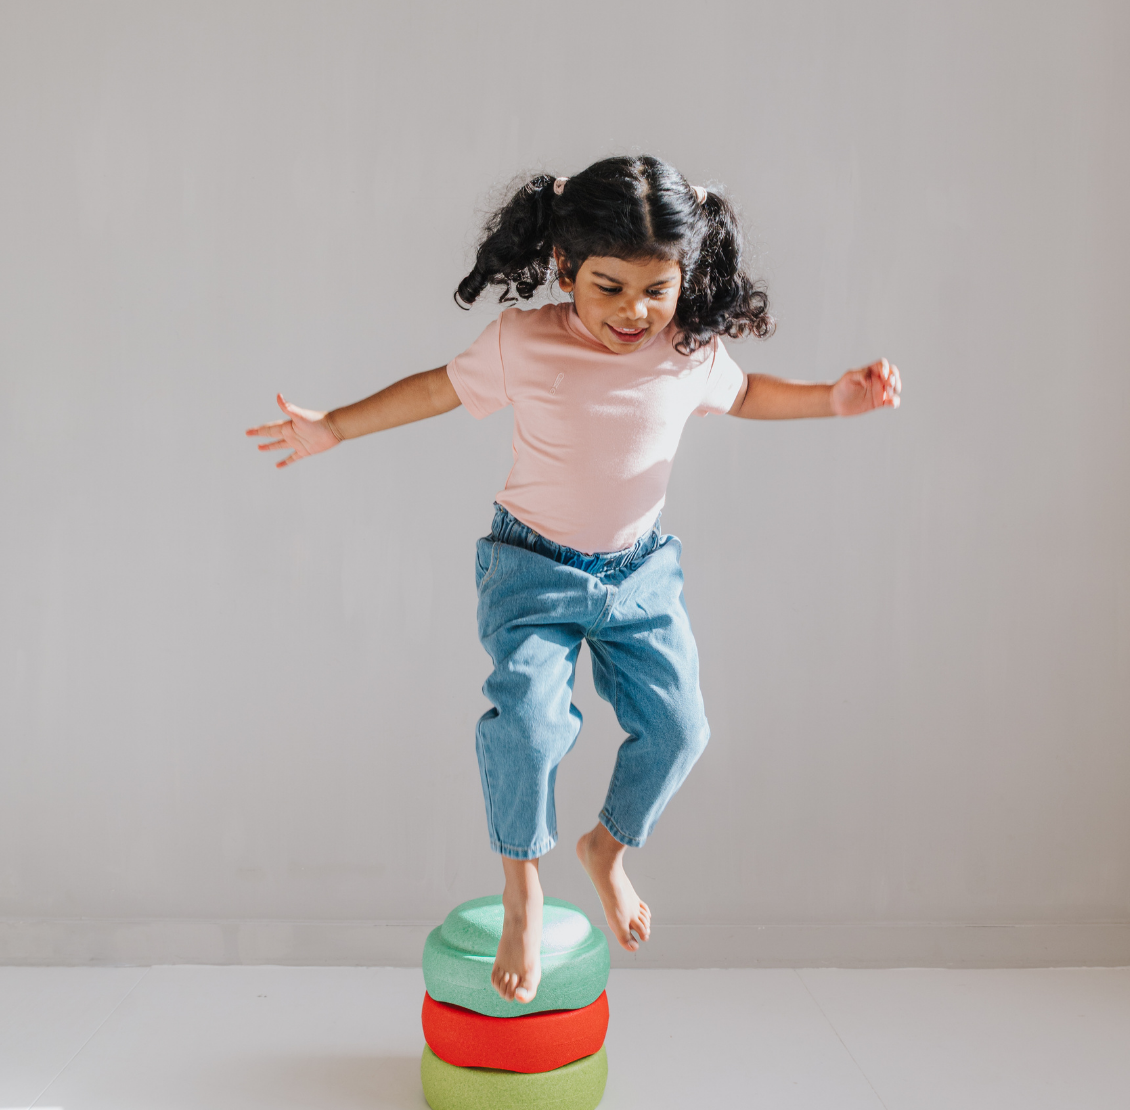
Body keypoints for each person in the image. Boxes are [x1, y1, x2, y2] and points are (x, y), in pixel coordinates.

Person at [246, 155, 901, 1004]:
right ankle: (523, 886)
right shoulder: (525, 343)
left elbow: (747, 396)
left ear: (683, 276)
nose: (634, 312)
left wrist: (832, 399)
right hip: (534, 570)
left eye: (656, 289)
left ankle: (606, 849)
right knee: (530, 728)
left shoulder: (688, 352)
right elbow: (437, 390)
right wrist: (333, 426)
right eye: (609, 287)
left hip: (639, 576)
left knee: (681, 729)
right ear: (564, 267)